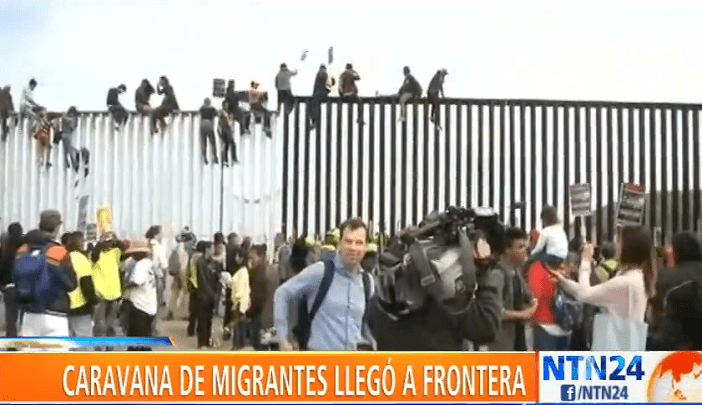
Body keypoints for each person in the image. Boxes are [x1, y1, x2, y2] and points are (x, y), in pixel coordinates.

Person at [274, 218, 373, 351]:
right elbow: (282, 293)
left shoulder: (367, 282)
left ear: (365, 247)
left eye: (359, 243)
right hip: (320, 358)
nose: (353, 248)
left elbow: (361, 323)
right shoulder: (321, 272)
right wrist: (282, 338)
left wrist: (370, 341)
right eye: (348, 241)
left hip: (353, 360)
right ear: (340, 244)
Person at [552, 226, 654, 350]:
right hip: (627, 345)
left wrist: (585, 261)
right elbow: (593, 292)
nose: (617, 246)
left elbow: (585, 294)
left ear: (629, 248)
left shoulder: (626, 282)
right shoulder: (636, 277)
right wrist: (563, 281)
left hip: (615, 348)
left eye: (619, 242)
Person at [15, 210, 77, 337]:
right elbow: (71, 285)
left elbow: (16, 277)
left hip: (29, 314)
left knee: (30, 350)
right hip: (55, 314)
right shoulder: (58, 252)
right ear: (57, 227)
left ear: (40, 225)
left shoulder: (24, 250)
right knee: (56, 351)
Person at [491, 227, 537, 351]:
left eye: (525, 246)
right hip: (502, 343)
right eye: (520, 247)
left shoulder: (517, 270)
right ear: (507, 249)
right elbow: (495, 311)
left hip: (519, 339)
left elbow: (528, 295)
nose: (525, 250)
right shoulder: (497, 274)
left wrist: (533, 302)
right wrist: (523, 314)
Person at [525, 230, 570, 350]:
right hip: (565, 326)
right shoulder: (566, 267)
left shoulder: (536, 268)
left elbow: (535, 295)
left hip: (543, 326)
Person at [122, 240, 158, 351]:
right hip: (150, 305)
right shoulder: (150, 263)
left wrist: (125, 284)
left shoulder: (140, 265)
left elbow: (136, 281)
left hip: (139, 306)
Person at [91, 232, 124, 340]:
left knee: (111, 323)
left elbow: (122, 247)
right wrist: (101, 242)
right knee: (100, 323)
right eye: (106, 242)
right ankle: (99, 345)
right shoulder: (96, 255)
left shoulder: (115, 252)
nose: (109, 244)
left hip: (114, 294)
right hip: (100, 294)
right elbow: (94, 253)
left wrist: (115, 237)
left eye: (110, 242)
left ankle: (110, 344)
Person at [66, 231, 98, 337]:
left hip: (65, 305)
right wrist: (93, 301)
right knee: (84, 340)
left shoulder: (65, 257)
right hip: (80, 305)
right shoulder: (81, 258)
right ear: (80, 242)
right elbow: (86, 283)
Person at [195, 242, 223, 349]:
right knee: (202, 319)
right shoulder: (200, 262)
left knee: (209, 319)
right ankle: (201, 342)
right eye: (211, 248)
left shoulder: (213, 263)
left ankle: (207, 340)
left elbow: (217, 276)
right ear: (206, 249)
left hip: (212, 295)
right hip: (203, 295)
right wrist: (212, 294)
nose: (213, 250)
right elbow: (203, 280)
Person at [0, 223, 23, 336]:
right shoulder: (26, 247)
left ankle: (11, 342)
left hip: (9, 288)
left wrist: (2, 285)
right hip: (25, 287)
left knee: (11, 320)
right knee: (24, 320)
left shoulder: (4, 249)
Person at [246, 244, 269, 350]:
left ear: (260, 256)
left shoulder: (259, 273)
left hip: (259, 313)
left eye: (252, 258)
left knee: (258, 343)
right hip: (263, 313)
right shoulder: (263, 269)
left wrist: (249, 311)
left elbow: (257, 296)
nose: (250, 261)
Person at [308, 64, 335, 129]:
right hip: (323, 95)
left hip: (317, 95)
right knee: (315, 106)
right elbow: (329, 85)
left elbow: (316, 87)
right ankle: (314, 122)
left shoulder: (319, 74)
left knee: (313, 106)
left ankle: (314, 121)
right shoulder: (326, 74)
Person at [56, 106, 79, 171]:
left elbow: (71, 126)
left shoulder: (67, 117)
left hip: (66, 134)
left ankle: (70, 163)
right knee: (68, 150)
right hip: (67, 134)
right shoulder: (72, 118)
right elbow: (72, 127)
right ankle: (72, 164)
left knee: (67, 150)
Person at [218, 102, 238, 166]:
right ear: (223, 105)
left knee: (226, 145)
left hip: (226, 129)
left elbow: (231, 121)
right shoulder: (222, 113)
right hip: (225, 129)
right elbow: (220, 122)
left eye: (227, 105)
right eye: (226, 105)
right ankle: (233, 159)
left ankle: (226, 160)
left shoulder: (226, 112)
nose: (227, 106)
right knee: (232, 144)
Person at [199, 98, 218, 165]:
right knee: (213, 142)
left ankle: (204, 157)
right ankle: (215, 156)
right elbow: (216, 114)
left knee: (204, 143)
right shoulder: (212, 109)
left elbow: (200, 114)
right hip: (209, 126)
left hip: (203, 125)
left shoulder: (202, 108)